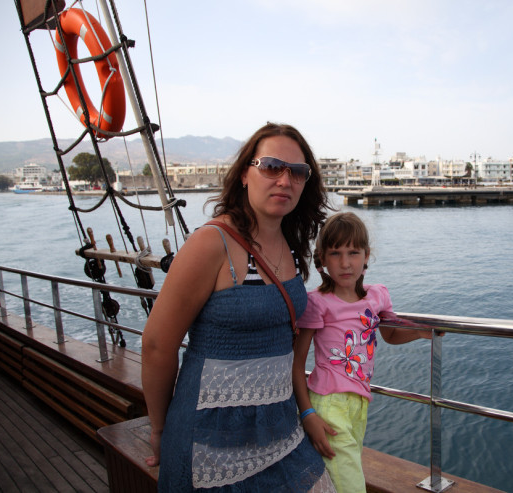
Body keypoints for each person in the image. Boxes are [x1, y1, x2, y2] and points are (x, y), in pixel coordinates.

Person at [142, 122, 336, 491]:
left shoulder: (291, 245)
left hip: (280, 427)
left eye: (297, 172)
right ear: (245, 174)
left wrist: (306, 410)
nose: (285, 180)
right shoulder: (211, 243)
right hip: (209, 440)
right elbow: (156, 345)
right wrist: (159, 428)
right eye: (272, 167)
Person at [292, 212, 436, 493]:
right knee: (351, 485)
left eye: (353, 252)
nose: (345, 263)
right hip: (329, 405)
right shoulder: (318, 303)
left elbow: (390, 334)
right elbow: (297, 365)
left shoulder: (377, 296)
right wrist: (307, 413)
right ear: (322, 259)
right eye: (335, 253)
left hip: (360, 405)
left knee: (341, 479)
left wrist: (421, 332)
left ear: (366, 255)